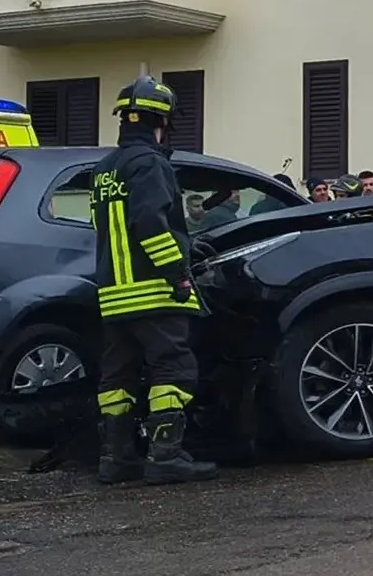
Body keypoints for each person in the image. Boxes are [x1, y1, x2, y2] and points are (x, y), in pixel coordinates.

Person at [90, 76, 216, 485]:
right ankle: (167, 456)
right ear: (162, 122)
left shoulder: (104, 169)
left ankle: (117, 459)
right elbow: (149, 224)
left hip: (113, 295)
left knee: (117, 378)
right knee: (173, 369)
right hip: (153, 291)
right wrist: (178, 272)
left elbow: (104, 226)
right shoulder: (150, 164)